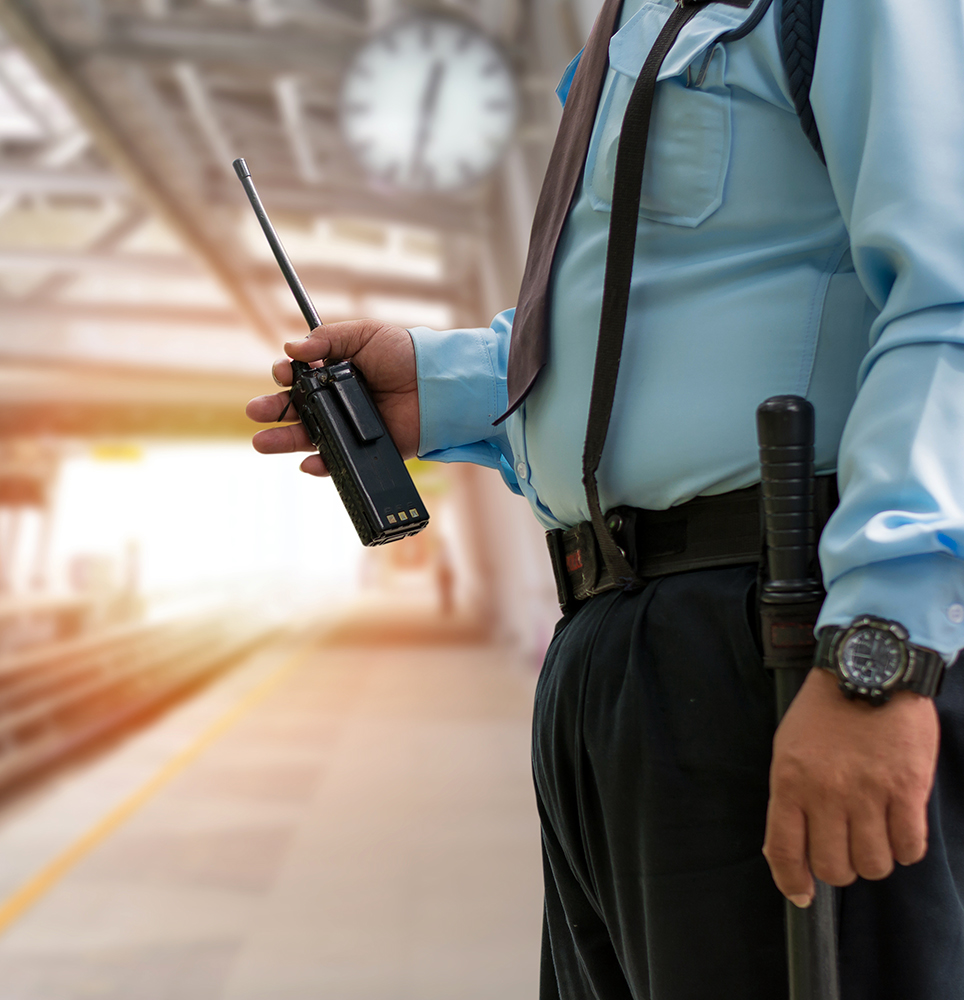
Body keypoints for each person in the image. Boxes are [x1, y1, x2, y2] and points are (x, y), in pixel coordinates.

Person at [247, 1, 964, 997]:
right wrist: (452, 383)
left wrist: (878, 658)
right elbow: (665, 316)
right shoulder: (632, 20)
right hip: (623, 659)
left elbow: (949, 304)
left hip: (787, 635)